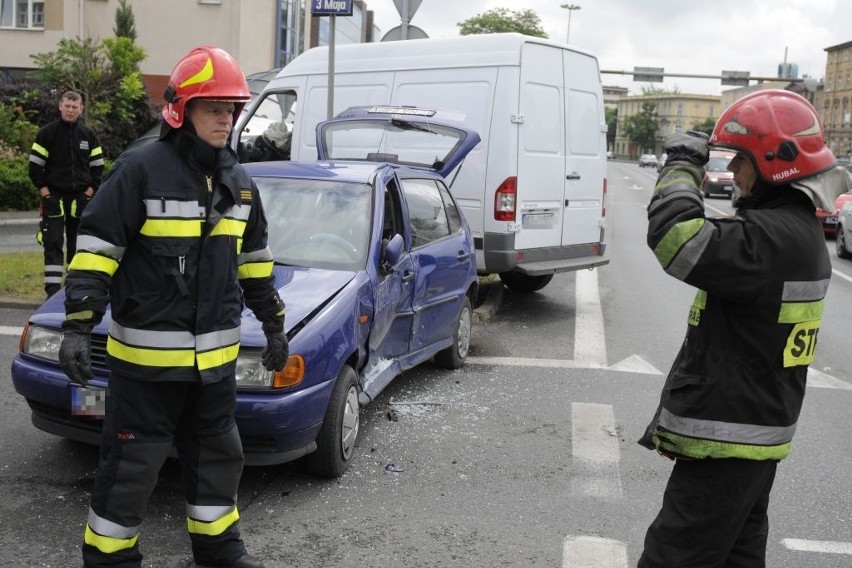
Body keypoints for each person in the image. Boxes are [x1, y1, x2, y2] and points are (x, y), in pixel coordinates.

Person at [57, 46, 287, 568]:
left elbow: (254, 262)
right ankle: (111, 560)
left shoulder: (240, 183)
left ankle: (219, 550)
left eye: (231, 108)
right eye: (214, 107)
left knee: (218, 462)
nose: (225, 118)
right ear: (181, 110)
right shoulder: (139, 169)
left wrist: (273, 325)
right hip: (146, 372)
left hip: (214, 372)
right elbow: (96, 252)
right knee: (131, 468)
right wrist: (77, 326)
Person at [637, 89, 845, 567]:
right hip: (751, 436)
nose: (730, 172)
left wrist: (683, 163)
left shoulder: (772, 238)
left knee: (674, 557)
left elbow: (675, 238)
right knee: (736, 558)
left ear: (774, 163)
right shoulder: (793, 231)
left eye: (740, 160)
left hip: (727, 444)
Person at [29, 90, 104, 298]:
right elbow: (34, 168)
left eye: (75, 107)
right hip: (53, 198)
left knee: (78, 244)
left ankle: (73, 288)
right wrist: (46, 195)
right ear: (60, 106)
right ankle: (53, 292)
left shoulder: (89, 136)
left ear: (81, 109)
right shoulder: (46, 133)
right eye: (67, 106)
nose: (70, 110)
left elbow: (98, 168)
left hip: (80, 199)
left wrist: (88, 194)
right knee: (52, 244)